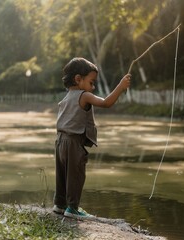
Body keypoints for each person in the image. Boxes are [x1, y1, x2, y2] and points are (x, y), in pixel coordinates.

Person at [52, 57, 131, 219]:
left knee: (62, 173)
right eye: (91, 82)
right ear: (78, 79)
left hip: (60, 141)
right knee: (76, 174)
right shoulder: (84, 95)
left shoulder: (65, 98)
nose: (93, 87)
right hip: (73, 142)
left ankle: (60, 205)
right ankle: (72, 208)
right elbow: (106, 103)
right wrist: (121, 87)